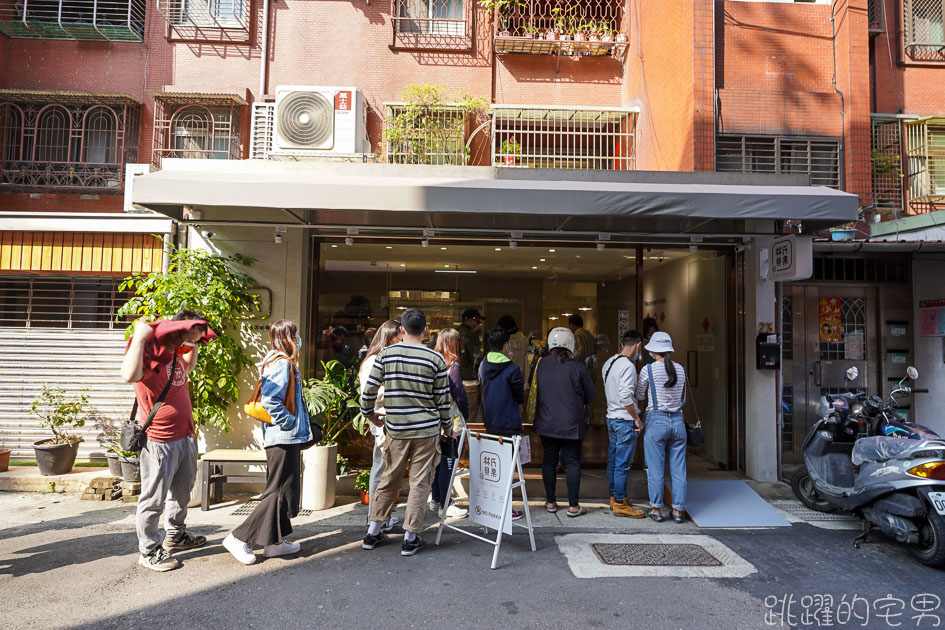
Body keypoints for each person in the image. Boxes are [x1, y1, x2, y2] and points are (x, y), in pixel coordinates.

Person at [120, 309, 216, 572]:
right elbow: (128, 375)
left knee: (181, 493)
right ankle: (149, 550)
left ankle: (176, 535)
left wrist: (194, 343)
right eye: (190, 337)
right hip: (160, 441)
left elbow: (190, 364)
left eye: (196, 340)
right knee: (153, 498)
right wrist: (140, 337)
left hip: (185, 437)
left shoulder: (175, 357)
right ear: (177, 332)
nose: (192, 343)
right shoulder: (153, 355)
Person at [361, 308, 451, 556]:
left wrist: (369, 414)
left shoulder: (386, 355)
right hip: (426, 430)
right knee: (420, 482)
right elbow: (443, 400)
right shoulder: (435, 359)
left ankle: (373, 531)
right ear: (425, 330)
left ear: (401, 330)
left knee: (389, 477)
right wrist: (448, 426)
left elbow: (368, 391)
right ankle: (411, 537)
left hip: (397, 429)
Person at [223, 320, 312, 565]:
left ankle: (274, 543)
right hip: (282, 437)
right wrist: (289, 422)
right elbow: (271, 401)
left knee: (284, 491)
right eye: (296, 335)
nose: (299, 339)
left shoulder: (278, 361)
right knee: (276, 492)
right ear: (289, 337)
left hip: (285, 438)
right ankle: (239, 538)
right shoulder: (282, 363)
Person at [533, 327, 594, 517]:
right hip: (571, 425)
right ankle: (574, 506)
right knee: (573, 462)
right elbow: (590, 396)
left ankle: (551, 502)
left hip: (547, 423)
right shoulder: (579, 368)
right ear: (571, 346)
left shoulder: (542, 364)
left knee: (549, 461)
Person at [635, 331, 688, 524]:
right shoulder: (680, 369)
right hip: (678, 421)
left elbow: (640, 396)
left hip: (656, 421)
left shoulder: (648, 370)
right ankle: (678, 511)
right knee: (678, 469)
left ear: (652, 351)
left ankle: (656, 509)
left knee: (655, 468)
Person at [357, 320, 402, 531]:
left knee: (386, 469)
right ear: (388, 338)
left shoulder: (384, 358)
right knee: (381, 468)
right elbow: (369, 393)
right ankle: (374, 517)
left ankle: (381, 517)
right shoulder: (373, 361)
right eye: (397, 339)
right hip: (381, 419)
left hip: (389, 418)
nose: (400, 342)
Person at [479, 327, 526, 520]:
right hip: (508, 424)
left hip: (490, 422)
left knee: (493, 470)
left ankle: (492, 507)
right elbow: (519, 395)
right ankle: (506, 509)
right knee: (506, 470)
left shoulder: (483, 364)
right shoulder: (512, 368)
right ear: (506, 345)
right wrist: (520, 406)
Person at [601, 330, 646, 518]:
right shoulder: (628, 366)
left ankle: (615, 497)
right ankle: (620, 502)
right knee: (622, 464)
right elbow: (626, 396)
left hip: (611, 417)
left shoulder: (609, 362)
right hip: (625, 420)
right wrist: (637, 418)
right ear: (637, 345)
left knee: (613, 460)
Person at [430, 328, 469, 519]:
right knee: (448, 463)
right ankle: (446, 505)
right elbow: (459, 395)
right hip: (451, 422)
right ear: (455, 344)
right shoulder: (453, 367)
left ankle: (436, 499)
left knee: (438, 463)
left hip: (434, 420)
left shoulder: (433, 361)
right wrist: (466, 415)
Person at [456, 308, 484, 421]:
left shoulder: (454, 332)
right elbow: (477, 358)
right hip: (470, 381)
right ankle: (467, 438)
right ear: (470, 320)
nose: (478, 324)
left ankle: (458, 438)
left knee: (457, 415)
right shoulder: (471, 335)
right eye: (477, 321)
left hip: (455, 380)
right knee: (471, 416)